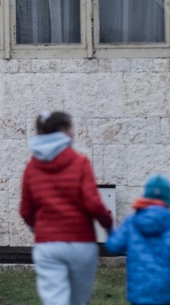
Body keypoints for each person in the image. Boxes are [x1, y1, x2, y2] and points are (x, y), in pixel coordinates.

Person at [18, 110, 113, 305]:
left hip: (48, 244)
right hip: (81, 244)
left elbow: (26, 210)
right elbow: (93, 204)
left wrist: (37, 227)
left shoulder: (31, 168)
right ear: (63, 130)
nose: (74, 133)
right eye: (71, 127)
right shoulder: (80, 162)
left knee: (55, 300)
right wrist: (109, 226)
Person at [104, 175, 170, 305]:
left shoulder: (132, 222)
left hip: (139, 293)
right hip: (167, 294)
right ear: (168, 199)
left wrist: (109, 228)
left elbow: (114, 246)